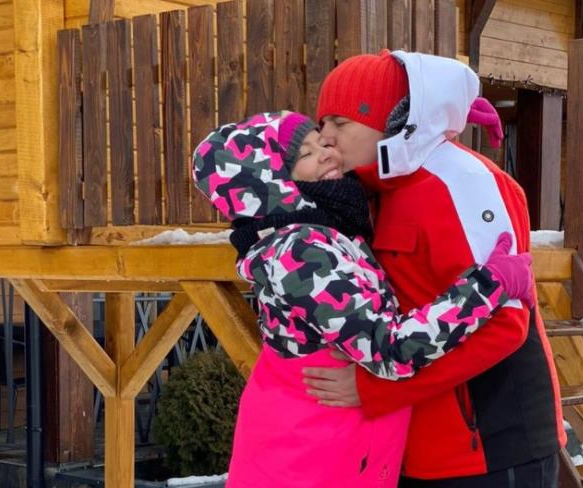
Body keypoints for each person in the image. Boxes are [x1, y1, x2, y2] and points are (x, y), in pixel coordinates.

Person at [192, 110, 534, 487]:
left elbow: (378, 168)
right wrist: (488, 285)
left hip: (336, 457)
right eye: (305, 154)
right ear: (270, 184)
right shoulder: (299, 253)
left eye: (322, 142)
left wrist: (438, 112)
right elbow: (389, 351)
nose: (327, 153)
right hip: (306, 465)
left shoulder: (331, 231)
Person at [304, 51, 566, 487]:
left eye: (341, 123)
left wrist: (376, 389)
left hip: (490, 447)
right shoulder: (370, 193)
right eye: (322, 123)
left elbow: (504, 326)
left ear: (391, 121)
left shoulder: (464, 181)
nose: (326, 136)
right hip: (411, 443)